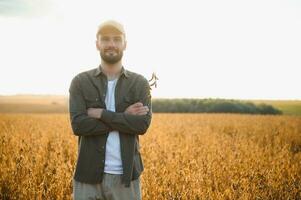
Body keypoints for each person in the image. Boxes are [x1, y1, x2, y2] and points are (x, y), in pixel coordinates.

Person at [68, 20, 152, 200]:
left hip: (126, 179)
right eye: (105, 39)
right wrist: (123, 118)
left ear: (125, 44)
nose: (111, 44)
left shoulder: (139, 84)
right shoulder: (80, 82)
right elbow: (78, 125)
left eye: (117, 39)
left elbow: (142, 125)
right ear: (97, 44)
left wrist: (101, 114)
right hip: (87, 177)